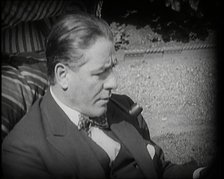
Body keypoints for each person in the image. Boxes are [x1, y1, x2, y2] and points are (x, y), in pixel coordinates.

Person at [2, 13, 206, 179]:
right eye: (100, 72)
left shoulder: (124, 108)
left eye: (112, 68)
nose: (113, 83)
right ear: (63, 76)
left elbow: (159, 169)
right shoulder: (24, 153)